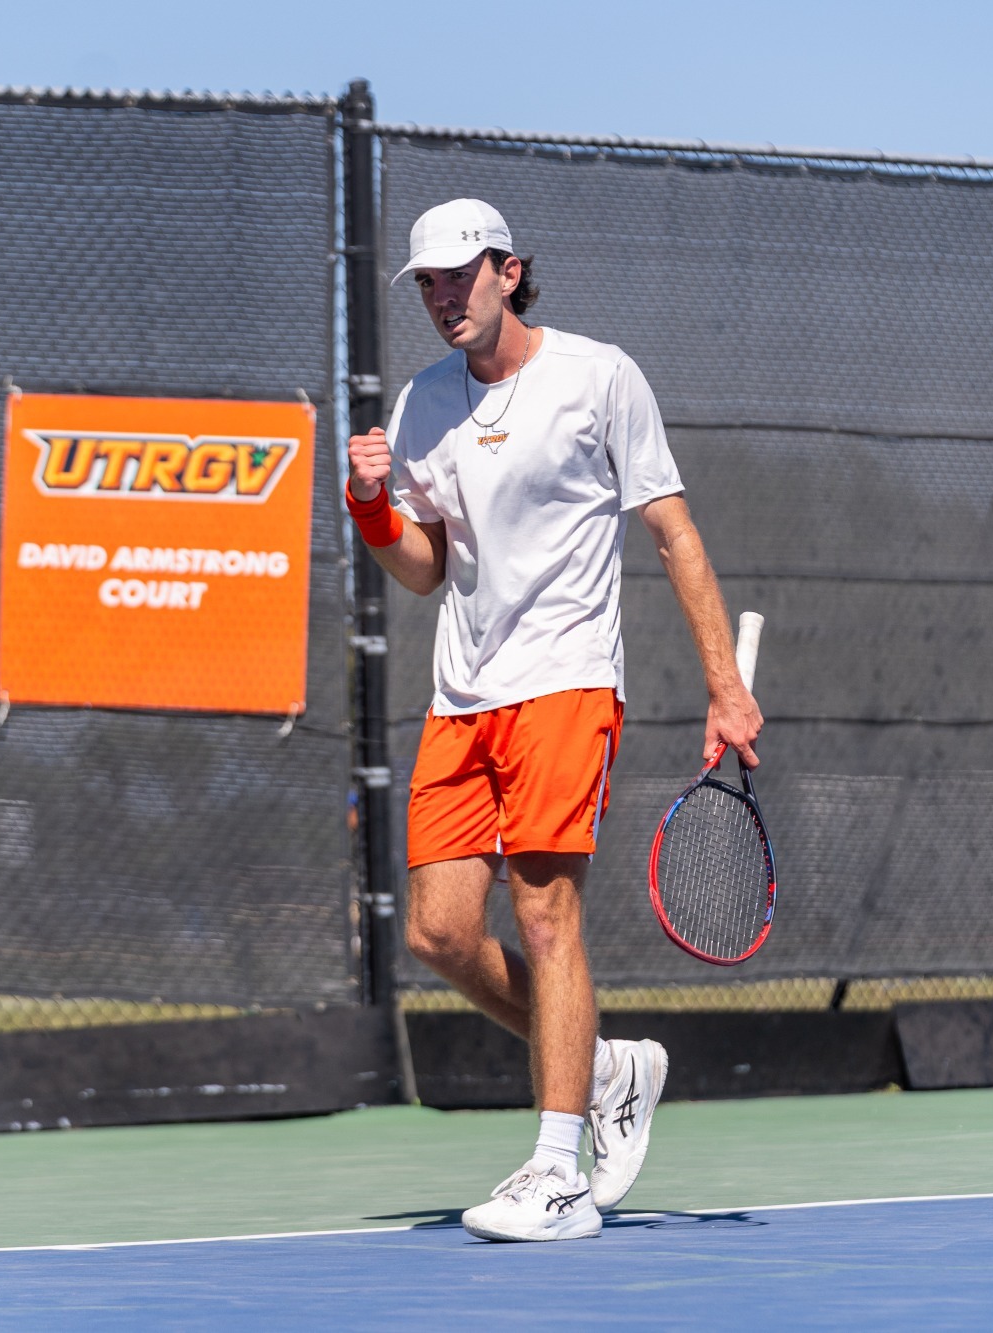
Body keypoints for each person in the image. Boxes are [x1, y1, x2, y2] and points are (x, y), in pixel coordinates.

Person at [345, 198, 762, 1242]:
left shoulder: (597, 376)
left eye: (461, 275)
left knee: (543, 915)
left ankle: (556, 1169)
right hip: (462, 694)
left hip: (567, 680)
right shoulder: (422, 405)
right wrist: (368, 513)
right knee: (440, 931)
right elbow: (425, 569)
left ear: (507, 271)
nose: (444, 297)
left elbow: (671, 533)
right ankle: (607, 1064)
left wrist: (724, 685)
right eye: (428, 283)